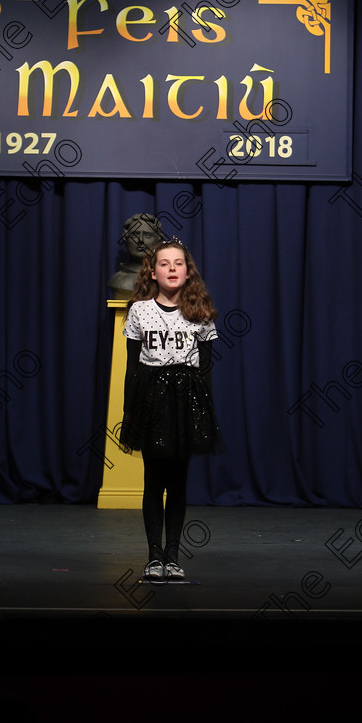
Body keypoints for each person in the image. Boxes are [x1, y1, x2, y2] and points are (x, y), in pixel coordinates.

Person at [119, 239, 224, 582]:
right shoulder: (139, 310)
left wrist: (204, 412)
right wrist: (130, 411)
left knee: (178, 482)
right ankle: (153, 556)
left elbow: (205, 368)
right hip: (152, 400)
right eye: (164, 264)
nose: (172, 269)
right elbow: (132, 367)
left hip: (187, 401)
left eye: (178, 263)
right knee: (154, 480)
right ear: (152, 271)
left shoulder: (201, 311)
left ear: (187, 270)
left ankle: (173, 556)